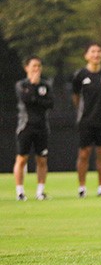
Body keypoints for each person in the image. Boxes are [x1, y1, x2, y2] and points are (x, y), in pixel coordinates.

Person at [72, 42, 101, 198]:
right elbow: (76, 97)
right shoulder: (80, 75)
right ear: (86, 55)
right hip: (85, 121)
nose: (96, 54)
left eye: (98, 51)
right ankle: (82, 187)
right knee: (84, 153)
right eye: (93, 52)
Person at [14, 55, 54, 201]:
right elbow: (26, 100)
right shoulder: (21, 85)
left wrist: (37, 98)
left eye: (39, 66)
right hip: (25, 126)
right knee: (22, 159)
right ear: (27, 68)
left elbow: (49, 103)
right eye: (34, 66)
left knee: (42, 160)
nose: (37, 69)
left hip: (42, 126)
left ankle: (40, 191)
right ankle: (20, 192)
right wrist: (33, 86)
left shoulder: (45, 85)